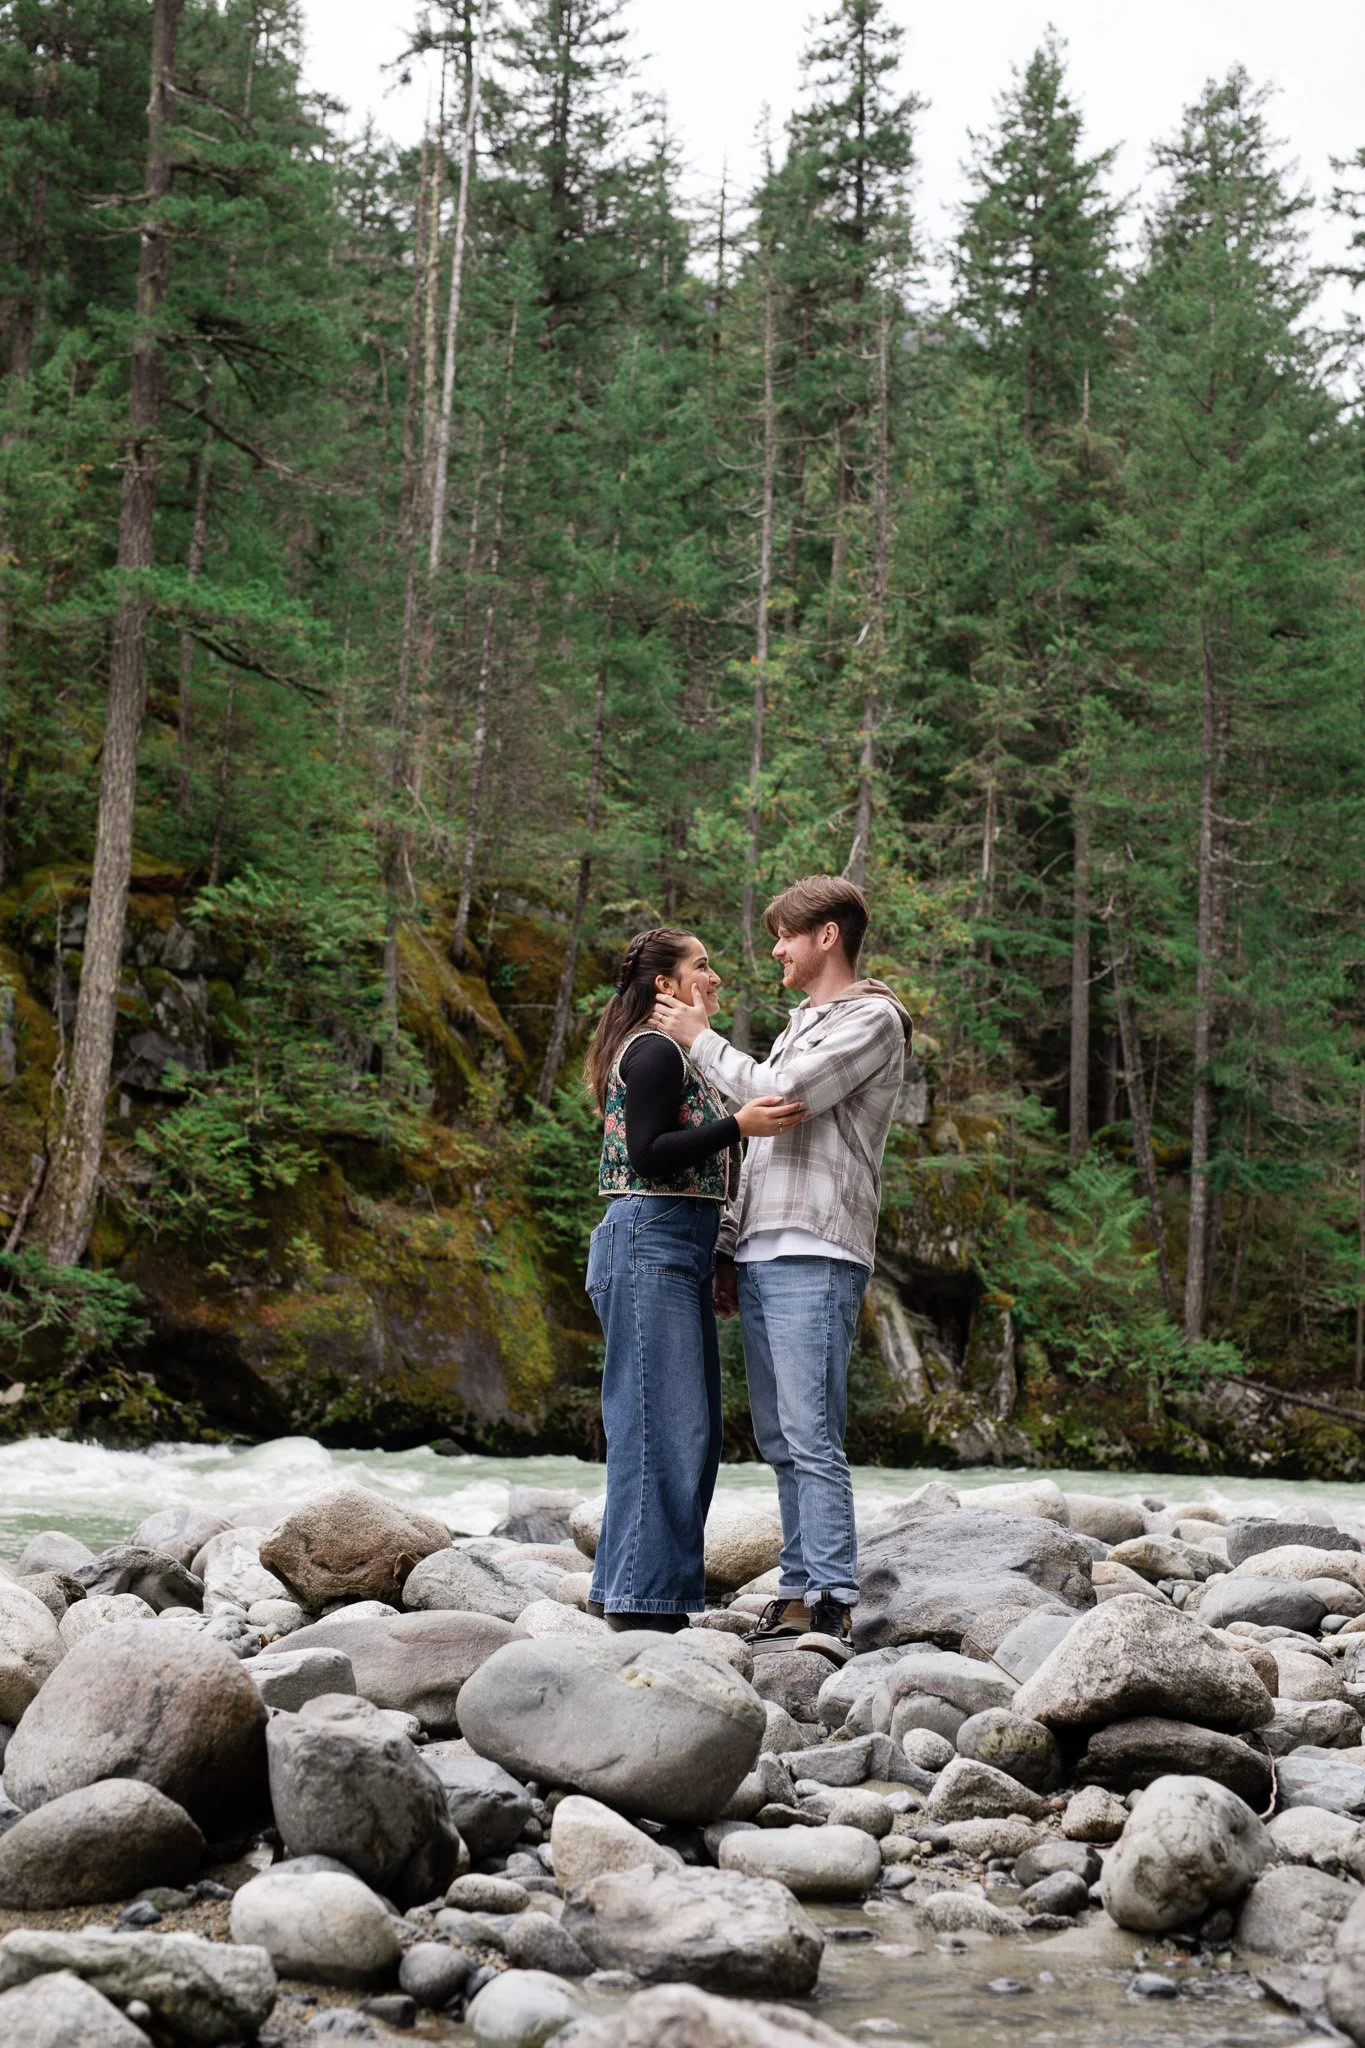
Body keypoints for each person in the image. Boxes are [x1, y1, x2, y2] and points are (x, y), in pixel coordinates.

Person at [652, 877, 911, 1648]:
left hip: (818, 1245)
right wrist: (729, 1248)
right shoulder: (802, 1020)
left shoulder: (870, 1018)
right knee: (777, 1436)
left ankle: (830, 1599)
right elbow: (760, 1148)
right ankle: (798, 1592)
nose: (775, 950)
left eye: (786, 936)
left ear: (826, 936)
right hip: (769, 1245)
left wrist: (700, 1038)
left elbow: (783, 1097)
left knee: (809, 1432)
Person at [583, 926, 805, 1632]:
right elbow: (648, 1156)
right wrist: (738, 1124)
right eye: (701, 966)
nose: (714, 977)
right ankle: (646, 1608)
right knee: (666, 1432)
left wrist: (716, 1256)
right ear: (665, 986)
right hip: (649, 1236)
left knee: (674, 1429)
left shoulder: (676, 1056)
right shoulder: (652, 1052)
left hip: (672, 1243)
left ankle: (623, 1589)